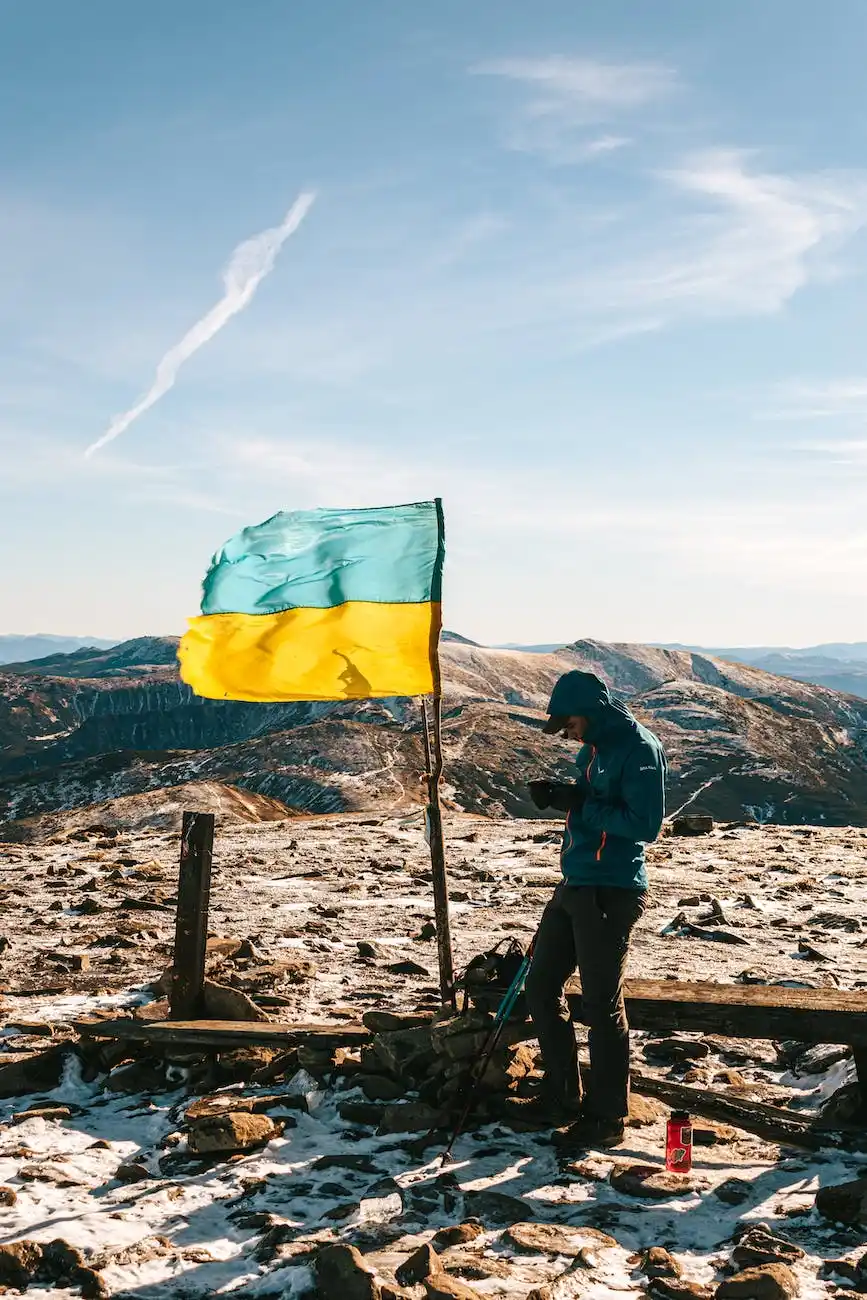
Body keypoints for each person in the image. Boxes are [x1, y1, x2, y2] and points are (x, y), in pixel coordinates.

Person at [524, 669, 667, 1149]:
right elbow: (594, 801)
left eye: (569, 724)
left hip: (611, 891)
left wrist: (580, 806)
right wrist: (565, 796)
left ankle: (607, 1116)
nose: (567, 734)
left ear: (590, 712)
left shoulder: (639, 749)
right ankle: (562, 1096)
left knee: (603, 1005)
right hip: (576, 883)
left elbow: (644, 825)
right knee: (541, 986)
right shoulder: (593, 749)